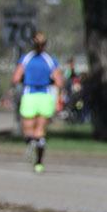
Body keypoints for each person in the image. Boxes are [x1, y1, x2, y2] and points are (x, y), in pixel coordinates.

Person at [11, 32, 64, 173]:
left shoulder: (26, 59)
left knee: (28, 129)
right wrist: (49, 81)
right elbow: (59, 81)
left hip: (30, 94)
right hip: (45, 96)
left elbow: (16, 78)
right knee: (40, 131)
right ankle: (39, 163)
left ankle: (31, 144)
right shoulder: (50, 60)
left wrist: (26, 79)